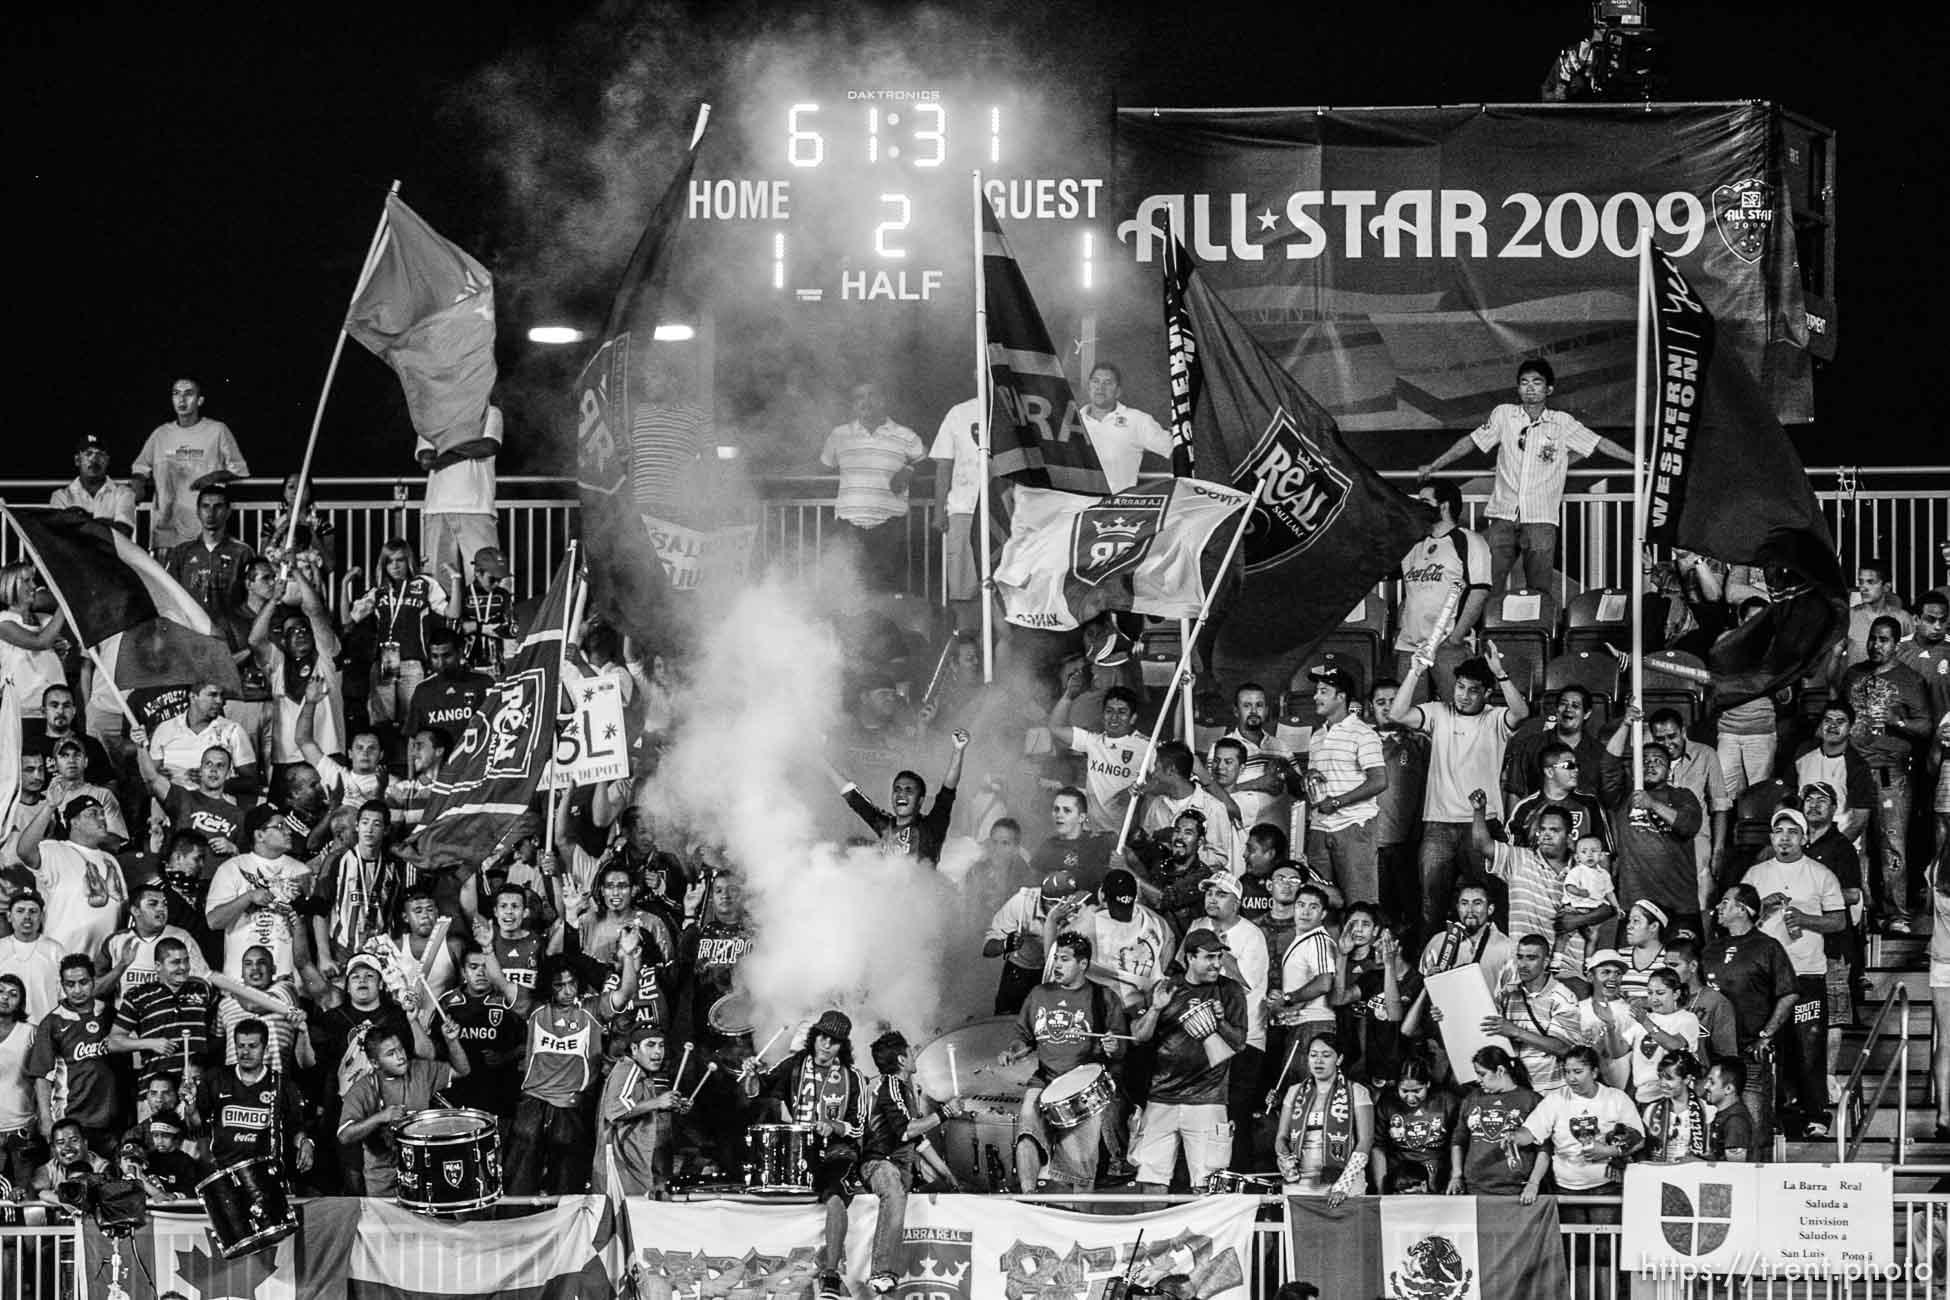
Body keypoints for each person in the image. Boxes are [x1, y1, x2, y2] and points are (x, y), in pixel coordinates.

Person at [1416, 358, 1634, 595]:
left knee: (1539, 589)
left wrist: (1640, 463)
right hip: (1504, 515)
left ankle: (1536, 631)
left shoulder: (1562, 422)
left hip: (1541, 518)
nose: (1530, 388)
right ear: (1518, 388)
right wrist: (1435, 464)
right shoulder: (1504, 415)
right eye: (1524, 382)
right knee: (1486, 584)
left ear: (1549, 389)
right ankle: (1486, 632)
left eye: (1537, 382)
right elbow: (1471, 441)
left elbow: (1599, 443)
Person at [1388, 646, 1528, 938]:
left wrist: (1501, 673)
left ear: (1487, 693)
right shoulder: (1439, 712)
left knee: (1491, 902)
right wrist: (1415, 671)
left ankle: (1492, 967)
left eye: (1473, 690)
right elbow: (1397, 712)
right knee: (1431, 905)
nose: (1463, 695)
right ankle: (1432, 970)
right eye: (1460, 687)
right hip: (1438, 823)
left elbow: (1522, 712)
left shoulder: (1495, 718)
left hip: (1483, 824)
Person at [744, 1009, 870, 1300]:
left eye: (834, 1042)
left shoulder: (853, 1077)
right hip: (796, 1151)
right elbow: (757, 1092)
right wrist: (751, 1074)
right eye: (822, 1038)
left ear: (843, 1046)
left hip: (837, 1153)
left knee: (837, 1197)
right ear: (814, 1038)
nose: (826, 1046)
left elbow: (859, 1124)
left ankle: (830, 1275)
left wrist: (835, 1125)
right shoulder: (794, 1065)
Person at [1741, 807, 1847, 1138]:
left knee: (1809, 1046)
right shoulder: (1756, 874)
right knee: (1775, 1046)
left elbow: (1839, 920)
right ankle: (1781, 1117)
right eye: (1779, 831)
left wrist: (1804, 919)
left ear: (1804, 837)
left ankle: (1815, 1115)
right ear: (1771, 837)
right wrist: (1763, 911)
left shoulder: (1820, 873)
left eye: (1792, 831)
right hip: (1765, 974)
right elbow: (1739, 921)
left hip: (1806, 972)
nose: (1784, 837)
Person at [1000, 931, 1127, 1192]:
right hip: (1044, 1079)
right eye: (1056, 958)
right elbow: (1023, 1037)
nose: (1057, 964)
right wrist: (1013, 1051)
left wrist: (1113, 1047)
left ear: (1083, 964)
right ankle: (1029, 1198)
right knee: (1026, 1135)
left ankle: (1078, 1220)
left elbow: (1121, 1048)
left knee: (1078, 1170)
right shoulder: (1038, 993)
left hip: (1082, 1090)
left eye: (1065, 959)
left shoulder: (1104, 998)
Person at [507, 943, 638, 1195]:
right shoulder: (535, 1009)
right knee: (518, 1182)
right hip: (532, 1103)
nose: (567, 990)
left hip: (573, 1107)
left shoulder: (593, 1008)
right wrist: (488, 950)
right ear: (548, 985)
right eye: (559, 985)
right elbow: (502, 983)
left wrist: (630, 955)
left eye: (571, 983)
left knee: (567, 1184)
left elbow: (626, 991)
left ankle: (568, 1230)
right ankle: (515, 1228)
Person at [1128, 928, 1247, 1194]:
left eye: (1219, 957)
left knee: (1208, 1185)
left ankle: (1205, 1237)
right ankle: (1153, 1234)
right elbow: (1138, 1037)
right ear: (1190, 958)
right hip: (1161, 1098)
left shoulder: (1230, 991)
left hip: (1208, 1100)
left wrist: (1221, 1022)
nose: (1217, 964)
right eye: (1209, 957)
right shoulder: (1167, 987)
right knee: (1151, 1180)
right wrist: (1156, 1009)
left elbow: (1239, 1043)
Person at [1840, 616, 1931, 934]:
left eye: (1883, 640)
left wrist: (1897, 722)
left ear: (1896, 644)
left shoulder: (1909, 679)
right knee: (1854, 846)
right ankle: (1862, 910)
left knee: (1892, 845)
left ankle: (1898, 915)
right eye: (1873, 639)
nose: (1876, 645)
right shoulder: (1853, 674)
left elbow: (1925, 725)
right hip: (1852, 771)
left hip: (1889, 773)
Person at [859, 1029, 963, 1296]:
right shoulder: (890, 1085)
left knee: (947, 1190)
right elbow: (907, 1131)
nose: (915, 1054)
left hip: (901, 1167)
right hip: (880, 1164)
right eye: (911, 1051)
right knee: (893, 1192)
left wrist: (947, 1175)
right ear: (903, 1060)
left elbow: (918, 1141)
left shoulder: (906, 1090)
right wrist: (946, 1112)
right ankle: (882, 1273)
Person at [1702, 884, 1799, 1150]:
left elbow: (1789, 993)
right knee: (1711, 1129)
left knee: (1754, 1127)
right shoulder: (1710, 949)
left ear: (1743, 909)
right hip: (1713, 1057)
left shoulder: (1767, 947)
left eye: (1725, 902)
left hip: (1750, 1054)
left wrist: (1766, 1036)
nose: (1718, 908)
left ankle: (1758, 1184)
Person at [1473, 795, 1613, 978]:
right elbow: (1482, 845)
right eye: (1542, 829)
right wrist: (1478, 811)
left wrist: (1577, 921)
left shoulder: (1586, 871)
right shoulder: (1518, 859)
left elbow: (1608, 909)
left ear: (1570, 837)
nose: (1546, 835)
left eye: (1554, 830)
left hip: (1571, 974)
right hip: (1523, 972)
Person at [1601, 708, 1706, 938]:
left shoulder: (1682, 796)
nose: (1650, 764)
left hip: (1679, 906)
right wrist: (1626, 724)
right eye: (1644, 761)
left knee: (1683, 968)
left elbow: (1688, 825)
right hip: (1635, 904)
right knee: (1632, 972)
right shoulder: (1623, 797)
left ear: (1669, 771)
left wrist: (1653, 805)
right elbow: (1609, 764)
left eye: (1658, 761)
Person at [335, 1020, 469, 1196]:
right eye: (391, 1053)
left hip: (423, 1171)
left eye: (401, 1049)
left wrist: (452, 1041)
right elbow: (344, 1135)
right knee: (387, 1223)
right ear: (375, 1064)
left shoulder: (420, 1070)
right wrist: (380, 1117)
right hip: (383, 1179)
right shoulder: (362, 1088)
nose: (400, 1056)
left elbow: (462, 1070)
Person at [821, 381, 926, 591]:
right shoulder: (838, 435)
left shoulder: (905, 435)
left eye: (872, 395)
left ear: (883, 401)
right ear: (853, 405)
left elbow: (928, 460)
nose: (866, 402)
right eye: (859, 397)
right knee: (847, 591)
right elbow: (824, 467)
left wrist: (909, 470)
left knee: (887, 593)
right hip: (848, 526)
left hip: (890, 528)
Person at [1395, 478, 1492, 702]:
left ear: (1444, 506)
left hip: (1447, 645)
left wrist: (1456, 637)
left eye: (1424, 501)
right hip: (1410, 646)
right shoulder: (1413, 544)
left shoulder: (1469, 541)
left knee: (1459, 711)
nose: (1419, 507)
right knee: (1409, 717)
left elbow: (1479, 592)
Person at [1505, 1044, 1643, 1196]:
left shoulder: (1616, 1098)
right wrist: (1515, 1138)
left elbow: (1639, 1140)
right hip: (1565, 1187)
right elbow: (1531, 1132)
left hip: (1608, 1185)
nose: (1571, 1078)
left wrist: (1608, 1151)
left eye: (1577, 1072)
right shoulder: (1555, 1100)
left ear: (1594, 1072)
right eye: (1567, 1072)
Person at [131, 378, 249, 553]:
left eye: (188, 394)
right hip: (167, 530)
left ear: (200, 400)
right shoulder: (161, 434)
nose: (181, 399)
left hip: (204, 530)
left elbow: (240, 470)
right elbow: (140, 468)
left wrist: (213, 477)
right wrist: (138, 484)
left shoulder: (217, 430)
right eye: (176, 394)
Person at [1303, 665, 1388, 905]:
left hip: (1354, 826)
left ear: (1341, 697)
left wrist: (1338, 802)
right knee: (1320, 902)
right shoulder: (1317, 736)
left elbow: (1379, 780)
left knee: (1359, 903)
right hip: (1321, 827)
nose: (1315, 696)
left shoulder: (1363, 733)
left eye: (1322, 691)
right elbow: (1316, 779)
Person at [349, 539, 451, 734]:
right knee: (383, 719)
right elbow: (349, 621)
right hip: (387, 659)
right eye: (389, 561)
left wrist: (455, 578)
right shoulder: (379, 590)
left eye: (400, 560)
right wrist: (346, 582)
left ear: (409, 561)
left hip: (412, 659)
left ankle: (409, 763)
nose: (394, 566)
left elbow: (450, 613)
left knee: (412, 718)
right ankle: (385, 761)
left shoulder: (424, 584)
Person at [205, 804, 312, 980]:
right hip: (240, 980)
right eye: (280, 826)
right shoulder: (232, 868)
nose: (288, 831)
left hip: (286, 979)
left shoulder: (301, 871)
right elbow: (213, 921)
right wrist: (248, 897)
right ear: (259, 834)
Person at [25, 955, 119, 1156]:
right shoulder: (53, 1022)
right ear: (63, 986)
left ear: (94, 980)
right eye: (70, 984)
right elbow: (42, 1076)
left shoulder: (110, 1014)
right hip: (71, 1122)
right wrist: (46, 1118)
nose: (77, 990)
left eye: (83, 982)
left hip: (111, 1121)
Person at [832, 729, 967, 867]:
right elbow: (856, 799)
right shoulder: (886, 826)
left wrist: (958, 750)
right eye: (897, 789)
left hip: (921, 887)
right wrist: (823, 764)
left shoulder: (930, 827)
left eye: (909, 790)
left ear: (920, 800)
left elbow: (947, 791)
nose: (901, 794)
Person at [17, 794, 125, 964]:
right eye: (93, 813)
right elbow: (24, 851)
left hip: (101, 965)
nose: (102, 818)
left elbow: (121, 906)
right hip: (62, 959)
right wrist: (50, 806)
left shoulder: (110, 860)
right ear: (74, 822)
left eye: (102, 813)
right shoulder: (55, 850)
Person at [198, 1017, 313, 1175]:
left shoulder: (282, 1084)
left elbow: (296, 1128)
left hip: (267, 1175)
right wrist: (190, 1104)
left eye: (252, 1046)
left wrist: (306, 1143)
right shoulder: (215, 1079)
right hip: (224, 1174)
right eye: (241, 1046)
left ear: (265, 1049)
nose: (245, 1052)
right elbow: (197, 1125)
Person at [1646, 709, 1732, 914]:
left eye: (1672, 736)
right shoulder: (1647, 760)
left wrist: (1718, 850)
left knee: (1701, 906)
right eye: (1660, 739)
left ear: (1683, 731)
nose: (1667, 744)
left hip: (1696, 843)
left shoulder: (1705, 755)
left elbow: (1720, 806)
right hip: (1658, 843)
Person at [1273, 1031, 1372, 1204]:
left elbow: (1365, 1141)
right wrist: (1284, 1158)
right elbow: (1281, 1137)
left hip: (1343, 1179)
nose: (1318, 1061)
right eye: (1313, 1055)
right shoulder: (1294, 1092)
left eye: (1326, 1055)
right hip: (1299, 1180)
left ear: (1339, 1059)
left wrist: (1344, 1184)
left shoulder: (1357, 1091)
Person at [419, 404, 503, 607]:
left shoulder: (489, 412)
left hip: (477, 506)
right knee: (438, 583)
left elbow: (488, 446)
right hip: (437, 507)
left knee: (488, 578)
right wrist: (468, 447)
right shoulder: (432, 415)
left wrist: (444, 449)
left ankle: (489, 631)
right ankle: (445, 633)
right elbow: (427, 460)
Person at [594, 1025, 690, 1198]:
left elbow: (635, 1110)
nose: (658, 1052)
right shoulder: (628, 1069)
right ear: (635, 1049)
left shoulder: (640, 1074)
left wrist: (669, 1105)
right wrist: (657, 1102)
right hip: (622, 1168)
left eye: (661, 1045)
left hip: (630, 1167)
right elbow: (614, 1110)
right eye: (651, 1045)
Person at [1048, 679, 1152, 836]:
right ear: (1103, 715)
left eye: (1122, 712)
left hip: (1125, 837)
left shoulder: (1147, 747)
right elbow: (1055, 727)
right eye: (1109, 711)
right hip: (1093, 833)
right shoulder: (1092, 741)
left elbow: (1164, 778)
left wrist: (1140, 788)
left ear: (1133, 718)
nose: (1114, 718)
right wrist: (1068, 695)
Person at [1331, 904, 1418, 1090]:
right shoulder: (1372, 977)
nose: (1375, 946)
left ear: (1397, 946)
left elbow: (1394, 1014)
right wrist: (1342, 955)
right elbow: (1338, 999)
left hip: (1403, 1071)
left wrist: (1389, 965)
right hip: (1371, 1068)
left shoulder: (1416, 980)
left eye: (1381, 942)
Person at [1481, 933, 1581, 1094]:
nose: (1523, 964)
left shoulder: (1562, 997)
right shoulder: (1508, 993)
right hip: (1515, 1093)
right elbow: (1488, 1029)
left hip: (1549, 1093)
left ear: (1546, 961)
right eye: (1520, 957)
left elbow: (1564, 1049)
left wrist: (1515, 1031)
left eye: (1531, 958)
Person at [1448, 1045, 1543, 1197]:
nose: (1478, 1080)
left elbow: (1544, 1148)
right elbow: (1459, 1139)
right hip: (1475, 1187)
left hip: (1516, 1189)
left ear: (1500, 1070)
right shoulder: (1471, 1099)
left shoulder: (1531, 1100)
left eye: (1482, 1074)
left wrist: (1533, 1184)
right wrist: (1456, 1175)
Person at [985, 871, 1082, 1015]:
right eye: (1069, 904)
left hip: (1054, 973)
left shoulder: (1077, 912)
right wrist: (1006, 944)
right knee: (1007, 1021)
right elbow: (988, 949)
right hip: (1020, 971)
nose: (1074, 908)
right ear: (1051, 903)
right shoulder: (1021, 903)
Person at [164, 486, 255, 626]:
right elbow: (168, 595)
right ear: (198, 512)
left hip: (231, 632)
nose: (211, 513)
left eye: (218, 507)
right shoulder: (181, 553)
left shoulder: (242, 552)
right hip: (192, 630)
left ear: (228, 512)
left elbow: (252, 598)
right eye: (205, 506)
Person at [929, 395, 985, 618]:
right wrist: (938, 511)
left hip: (1006, 512)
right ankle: (966, 646)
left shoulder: (1014, 410)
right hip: (964, 510)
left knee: (1003, 587)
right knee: (963, 588)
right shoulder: (958, 412)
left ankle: (999, 645)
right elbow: (944, 464)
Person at [1078, 362, 1172, 492]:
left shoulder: (1138, 420)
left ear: (1118, 391)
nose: (1100, 387)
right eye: (1096, 381)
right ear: (1088, 387)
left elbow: (1176, 450)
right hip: (1074, 506)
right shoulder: (1072, 421)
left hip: (1116, 508)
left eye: (1108, 383)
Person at [1505, 684, 1606, 802]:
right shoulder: (1531, 746)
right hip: (1540, 817)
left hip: (1584, 818)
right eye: (1563, 704)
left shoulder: (1599, 752)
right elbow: (1515, 791)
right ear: (1557, 710)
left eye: (1575, 706)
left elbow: (1609, 801)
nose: (1568, 709)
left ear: (1587, 714)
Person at [1507, 740, 1610, 853]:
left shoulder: (1590, 804)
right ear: (1550, 771)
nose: (1576, 770)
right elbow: (1513, 855)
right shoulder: (1525, 808)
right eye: (1569, 765)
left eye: (1577, 765)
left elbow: (1604, 853)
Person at [1373, 1056, 1457, 1193]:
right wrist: (1381, 1189)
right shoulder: (1387, 1102)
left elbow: (1457, 1142)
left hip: (1438, 1175)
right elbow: (1378, 1146)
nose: (1410, 1098)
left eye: (1417, 1091)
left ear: (1428, 1084)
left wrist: (1454, 1176)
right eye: (1404, 1091)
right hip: (1400, 1177)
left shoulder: (1446, 1101)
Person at [0, 562, 70, 723]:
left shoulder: (45, 620)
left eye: (33, 579)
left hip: (57, 705)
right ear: (10, 586)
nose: (33, 585)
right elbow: (40, 642)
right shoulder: (3, 621)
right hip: (25, 708)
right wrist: (65, 604)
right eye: (26, 581)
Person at [404, 629, 494, 742]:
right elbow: (413, 738)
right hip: (439, 758)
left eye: (446, 656)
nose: (441, 663)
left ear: (460, 653)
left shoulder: (484, 683)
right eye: (435, 657)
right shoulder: (422, 690)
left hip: (473, 756)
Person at [1030, 787, 1119, 894]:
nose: (1059, 815)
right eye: (1056, 809)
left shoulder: (1101, 843)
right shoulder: (1047, 846)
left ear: (1081, 817)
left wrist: (1124, 866)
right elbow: (1033, 888)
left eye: (1067, 810)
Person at [1833, 558, 1913, 676]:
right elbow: (1836, 655)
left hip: (1892, 689)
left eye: (1870, 582)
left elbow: (1913, 657)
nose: (1863, 588)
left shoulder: (1903, 618)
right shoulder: (1849, 616)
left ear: (1886, 587)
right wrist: (1833, 691)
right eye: (1861, 582)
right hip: (1856, 688)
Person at [50, 435, 138, 535]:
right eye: (88, 454)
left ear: (107, 460)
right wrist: (106, 525)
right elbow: (58, 536)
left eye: (100, 454)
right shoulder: (61, 497)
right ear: (77, 460)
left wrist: (79, 522)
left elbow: (124, 531)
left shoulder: (124, 493)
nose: (94, 459)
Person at [0, 891, 66, 1020]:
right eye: (20, 911)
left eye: (33, 911)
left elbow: (64, 996)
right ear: (9, 916)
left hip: (45, 1030)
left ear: (42, 917)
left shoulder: (55, 950)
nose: (27, 916)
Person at [1639, 1049, 1712, 1163]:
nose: (1662, 1084)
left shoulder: (1707, 1111)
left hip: (1694, 1174)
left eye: (1669, 1078)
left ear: (1687, 1079)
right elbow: (1644, 1152)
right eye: (1660, 1077)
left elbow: (1713, 1157)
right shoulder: (1652, 1111)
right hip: (1659, 1173)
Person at [1704, 1056, 1756, 1161]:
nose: (1706, 1086)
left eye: (1712, 1082)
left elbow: (1735, 1170)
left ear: (1728, 1089)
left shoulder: (1735, 1122)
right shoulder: (1725, 1115)